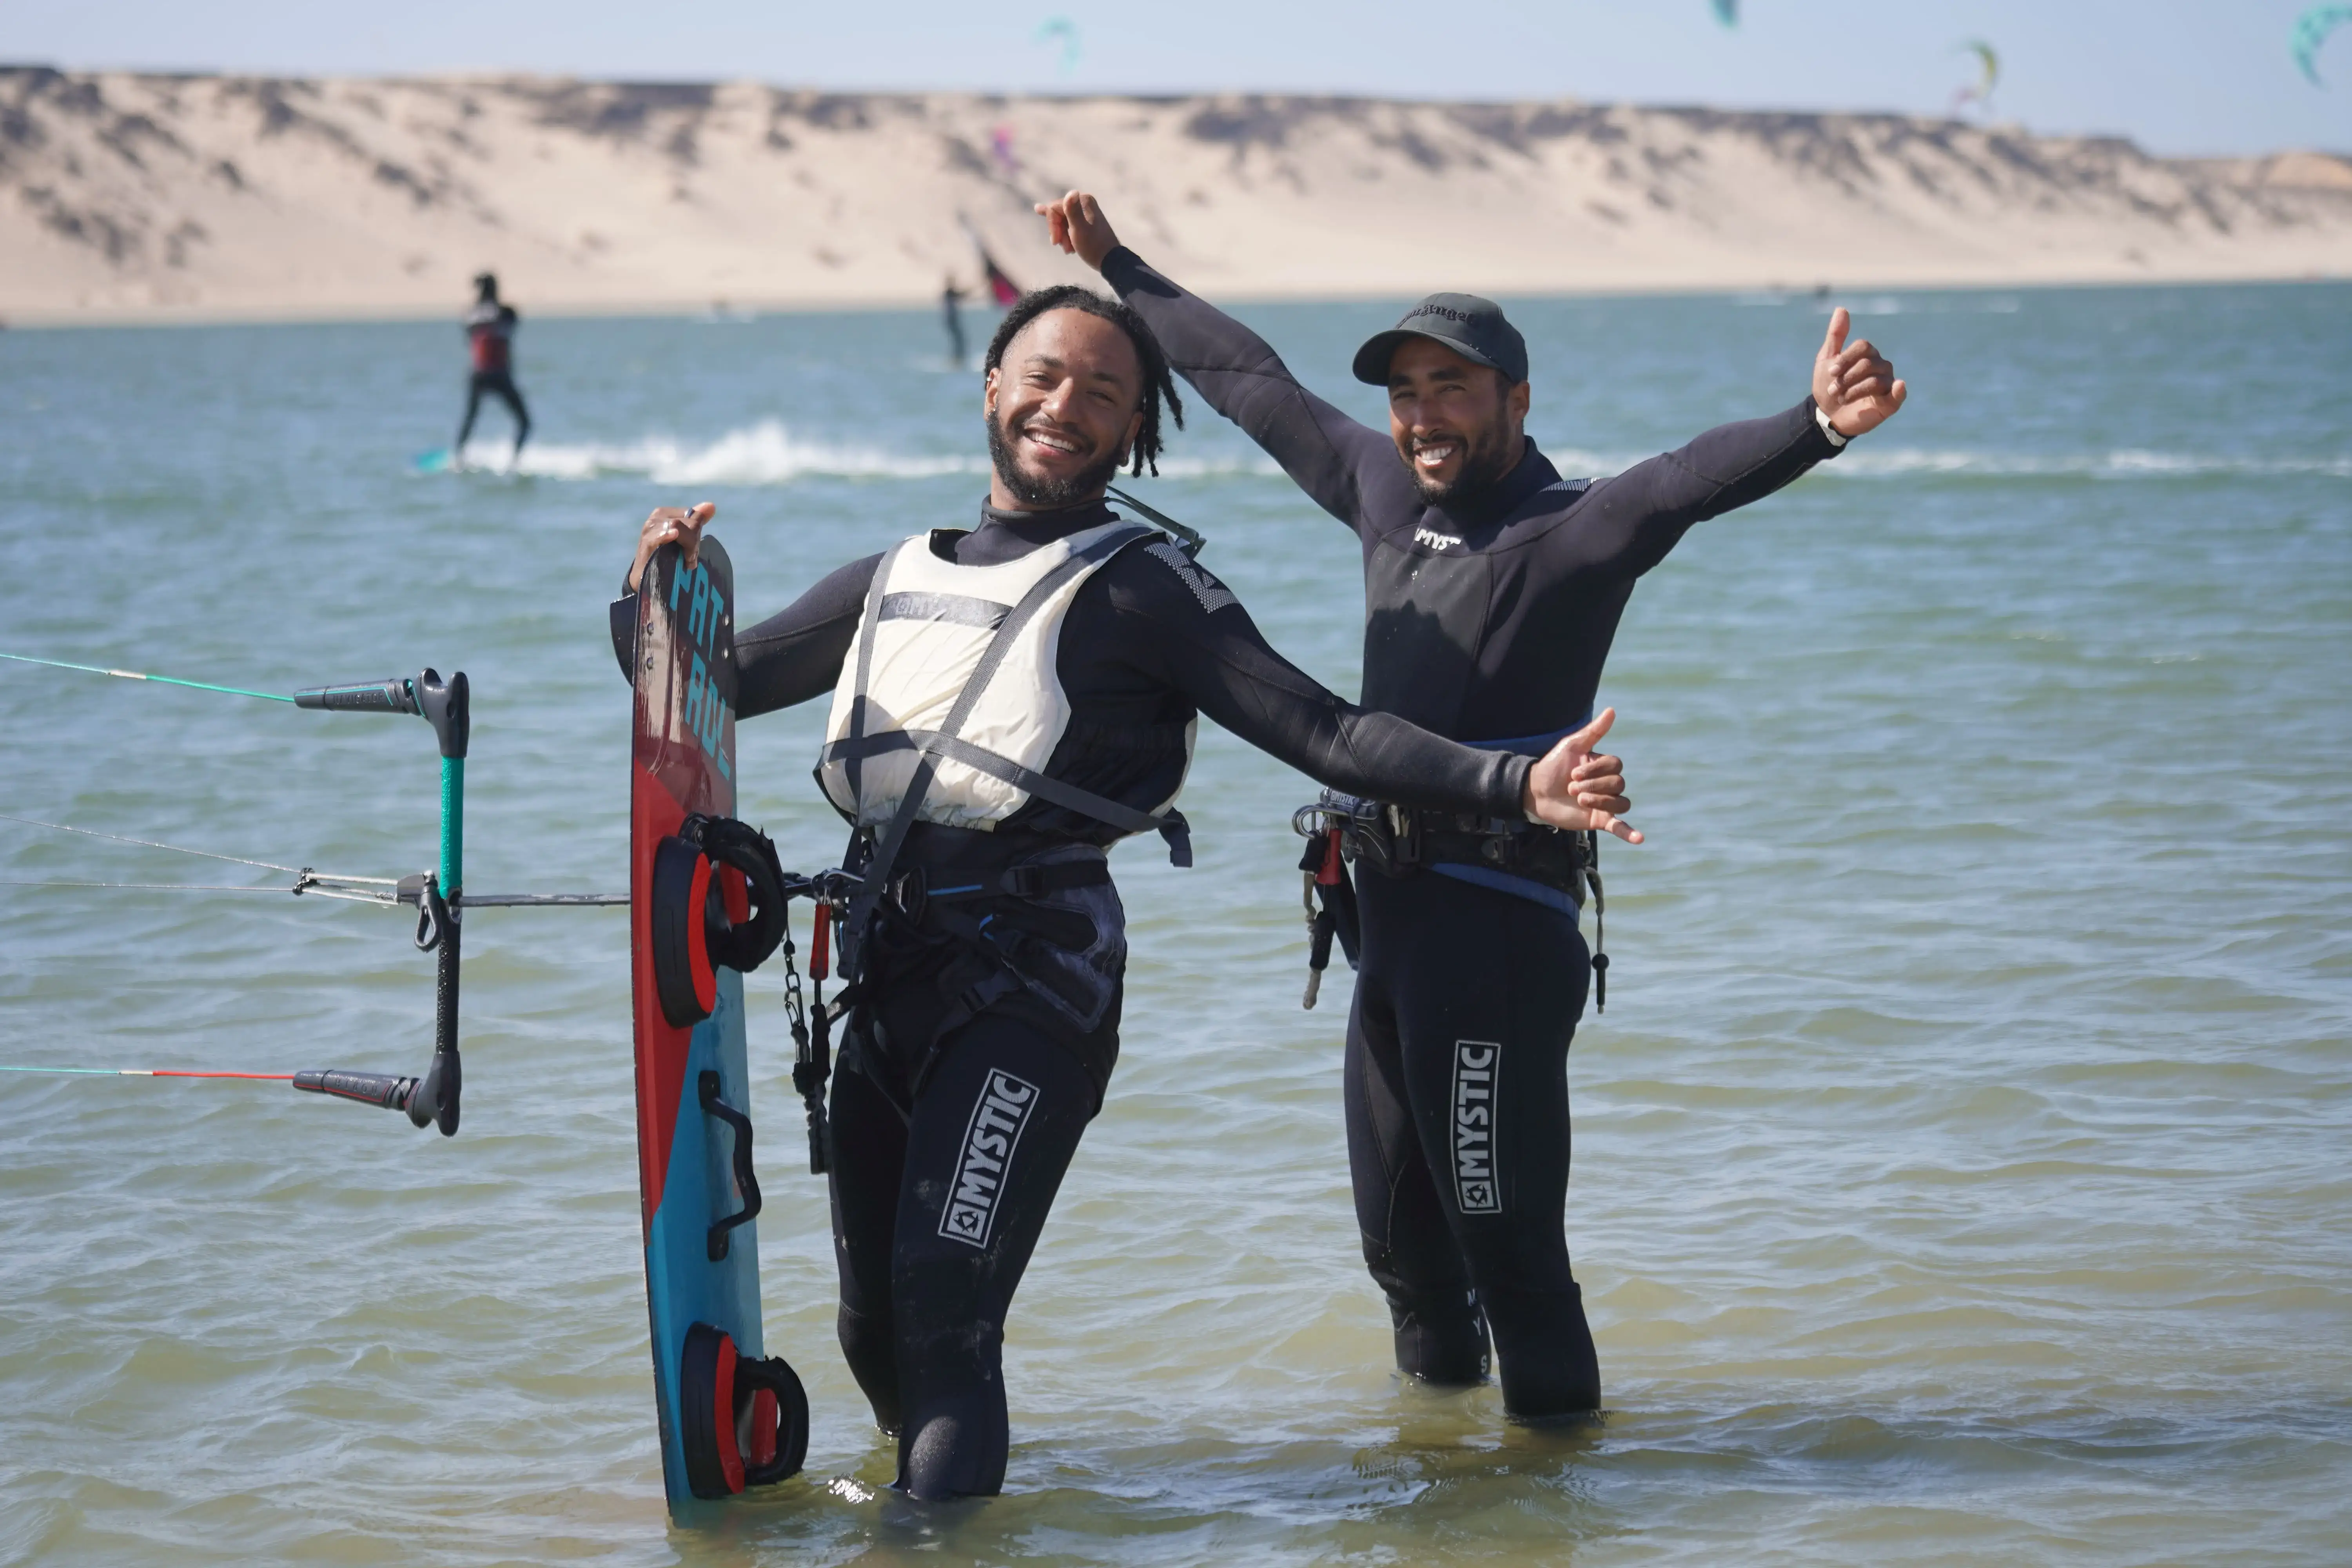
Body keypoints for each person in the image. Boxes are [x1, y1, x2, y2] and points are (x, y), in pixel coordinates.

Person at [610, 287, 1646, 1499]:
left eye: (1105, 393)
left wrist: (1512, 779)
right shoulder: (885, 578)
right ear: (990, 387)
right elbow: (694, 688)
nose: (1067, 407)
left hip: (1032, 986)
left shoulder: (1146, 590)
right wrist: (651, 594)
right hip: (885, 982)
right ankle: (938, 1514)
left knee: (946, 1315)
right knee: (872, 1334)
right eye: (1044, 377)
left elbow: (1321, 727)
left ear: (1135, 432)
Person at [1034, 189, 1907, 1423]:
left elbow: (1680, 484)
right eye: (1405, 391)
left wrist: (1814, 422)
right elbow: (1249, 381)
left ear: (1516, 400)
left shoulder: (1570, 531)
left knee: (1515, 1270)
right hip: (1383, 929)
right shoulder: (1384, 495)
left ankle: (1551, 1510)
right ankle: (1443, 1515)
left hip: (1496, 934)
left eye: (1452, 386)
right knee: (1406, 1267)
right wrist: (1118, 264)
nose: (1421, 414)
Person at [457, 272, 531, 467]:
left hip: (479, 375)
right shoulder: (506, 312)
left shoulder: (471, 314)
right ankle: (515, 459)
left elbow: (467, 334)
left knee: (470, 419)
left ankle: (459, 456)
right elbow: (513, 324)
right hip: (498, 374)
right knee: (524, 422)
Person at [942, 274, 969, 366]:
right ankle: (958, 358)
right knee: (959, 339)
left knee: (959, 339)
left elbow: (961, 295)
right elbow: (960, 295)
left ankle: (959, 357)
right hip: (951, 320)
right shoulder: (949, 293)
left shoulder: (950, 293)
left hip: (951, 319)